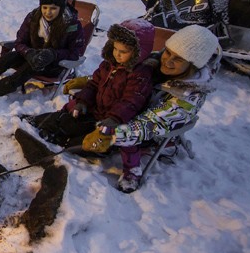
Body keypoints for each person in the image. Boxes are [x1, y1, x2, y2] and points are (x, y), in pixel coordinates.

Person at [81, 24, 220, 193]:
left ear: (192, 65)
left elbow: (151, 124)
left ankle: (132, 172)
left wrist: (112, 134)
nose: (168, 61)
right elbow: (121, 75)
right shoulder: (152, 62)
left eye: (178, 59)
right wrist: (88, 82)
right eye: (168, 52)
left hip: (152, 132)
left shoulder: (189, 96)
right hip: (129, 110)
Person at [32, 18, 156, 150]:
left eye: (123, 52)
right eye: (115, 48)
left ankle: (59, 142)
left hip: (112, 123)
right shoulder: (108, 65)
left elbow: (131, 102)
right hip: (95, 112)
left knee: (83, 143)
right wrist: (83, 102)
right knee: (64, 120)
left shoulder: (140, 75)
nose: (117, 54)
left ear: (139, 52)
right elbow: (93, 85)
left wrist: (114, 119)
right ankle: (35, 123)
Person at [0, 0, 86, 99]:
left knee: (33, 65)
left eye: (53, 8)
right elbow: (20, 42)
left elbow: (76, 52)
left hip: (55, 65)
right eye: (45, 7)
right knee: (10, 56)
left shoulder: (72, 25)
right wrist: (28, 52)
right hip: (31, 55)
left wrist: (53, 54)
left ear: (61, 8)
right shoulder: (33, 17)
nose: (48, 12)